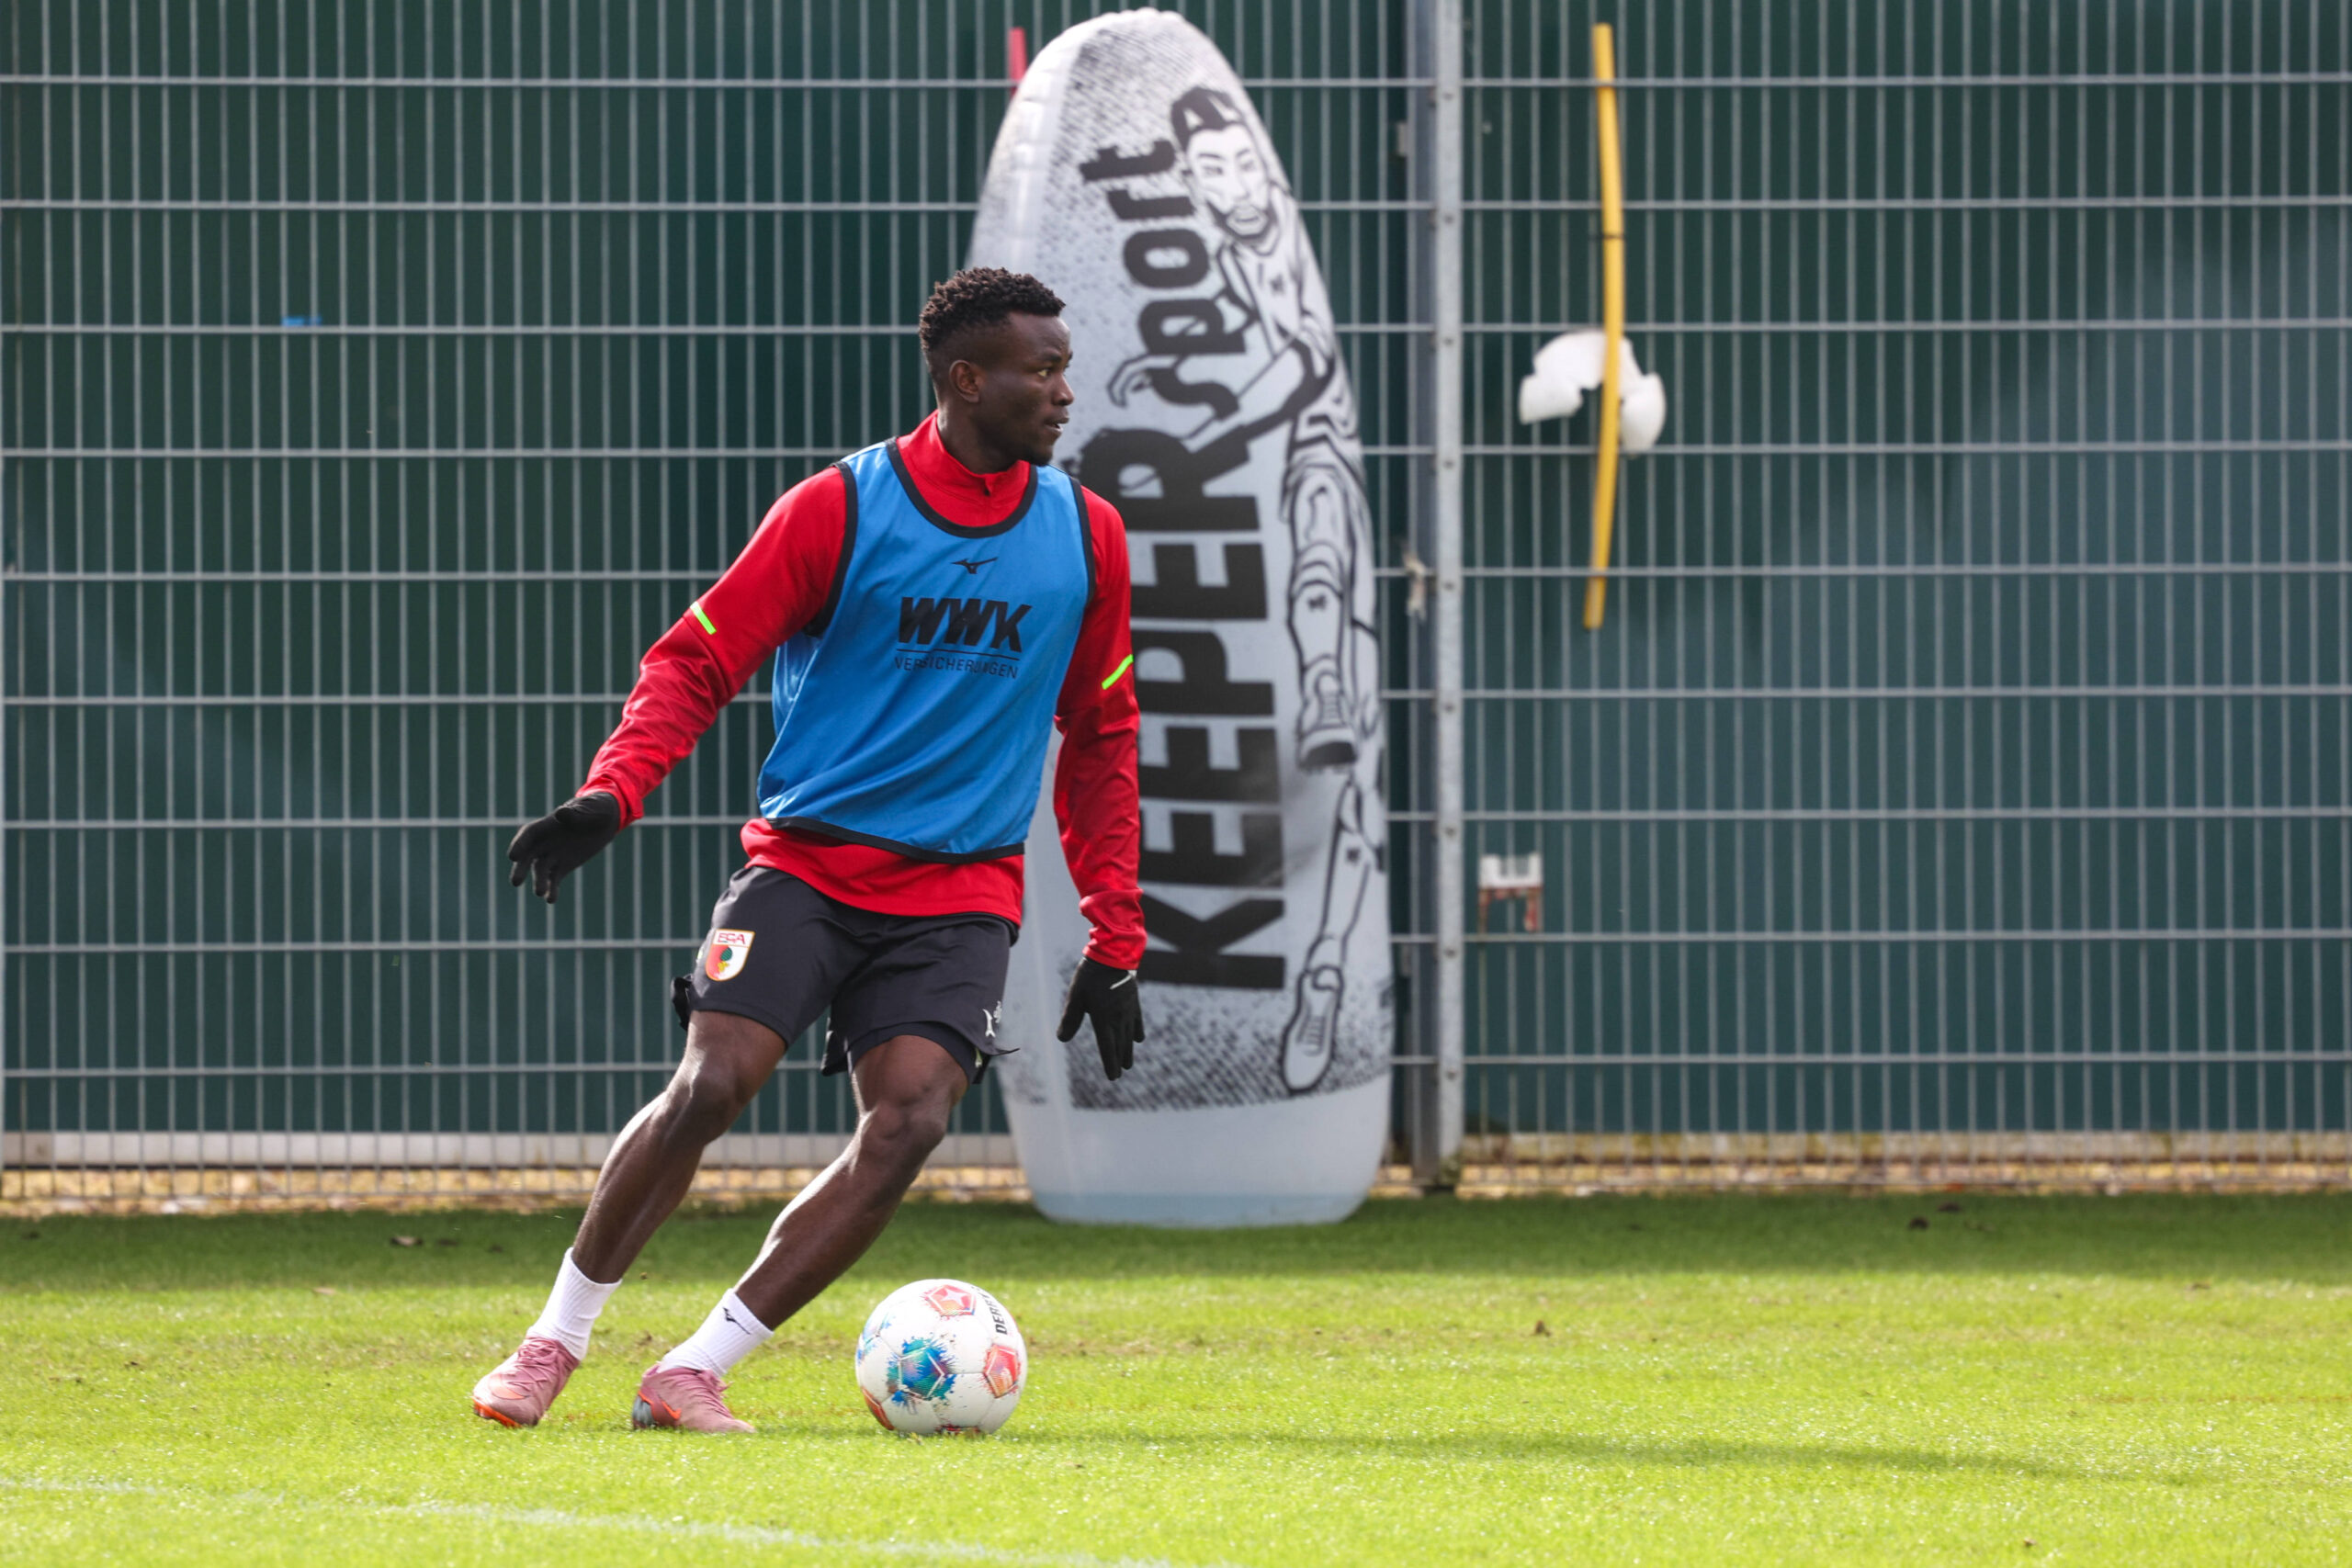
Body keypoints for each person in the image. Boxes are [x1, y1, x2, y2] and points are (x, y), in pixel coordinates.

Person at [469, 268, 1143, 1434]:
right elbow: (696, 659)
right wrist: (612, 793)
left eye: (1063, 369)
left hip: (961, 889)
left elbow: (1103, 734)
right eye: (1040, 371)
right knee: (712, 1084)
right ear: (964, 379)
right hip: (810, 865)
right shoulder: (839, 508)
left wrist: (1116, 932)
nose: (1063, 393)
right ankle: (552, 1341)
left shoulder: (1088, 536)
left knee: (913, 1120)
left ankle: (693, 1369)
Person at [1109, 86, 1384, 1094]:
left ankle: (1323, 972)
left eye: (1238, 166)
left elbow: (1301, 364)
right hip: (1267, 489)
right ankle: (1318, 972)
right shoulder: (1222, 250)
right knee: (1332, 799)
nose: (1231, 188)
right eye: (1209, 173)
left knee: (1319, 503)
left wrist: (1206, 438)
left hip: (1310, 467)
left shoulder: (1274, 250)